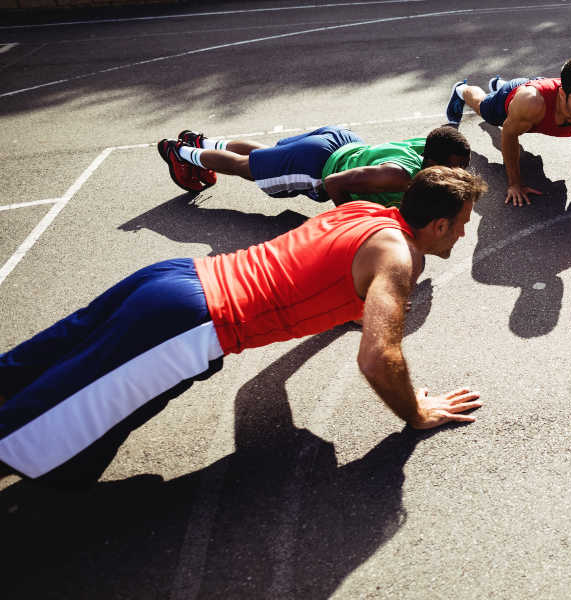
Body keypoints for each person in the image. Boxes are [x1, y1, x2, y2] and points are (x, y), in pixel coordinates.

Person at [0, 167, 485, 489]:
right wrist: (416, 411)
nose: (464, 233)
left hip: (173, 277)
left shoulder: (365, 213)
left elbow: (317, 272)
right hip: (188, 321)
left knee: (28, 371)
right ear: (438, 225)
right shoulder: (399, 257)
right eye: (462, 223)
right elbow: (379, 357)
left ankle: (65, 465)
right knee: (28, 431)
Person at [445, 56, 571, 206]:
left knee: (523, 137)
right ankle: (462, 90)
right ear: (563, 94)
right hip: (516, 99)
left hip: (529, 101)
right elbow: (509, 134)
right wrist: (514, 184)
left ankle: (500, 85)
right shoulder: (531, 103)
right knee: (485, 110)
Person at [156, 125, 470, 207]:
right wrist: (350, 223)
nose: (460, 175)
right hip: (318, 165)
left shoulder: (428, 144)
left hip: (341, 139)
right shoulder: (399, 176)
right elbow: (334, 182)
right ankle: (181, 153)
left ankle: (203, 142)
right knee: (244, 167)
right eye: (454, 169)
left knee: (264, 156)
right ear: (430, 162)